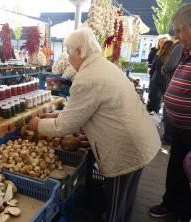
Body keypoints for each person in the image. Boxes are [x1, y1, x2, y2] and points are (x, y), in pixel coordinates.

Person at [29, 27, 161, 222]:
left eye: (69, 52)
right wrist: (56, 117)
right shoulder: (103, 66)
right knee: (126, 197)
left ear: (79, 52)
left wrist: (37, 124)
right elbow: (86, 110)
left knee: (116, 204)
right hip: (139, 138)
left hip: (125, 147)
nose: (68, 57)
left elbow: (64, 127)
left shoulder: (87, 78)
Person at [149, 3, 191, 221]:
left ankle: (184, 212)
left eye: (179, 30)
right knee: (176, 169)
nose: (177, 35)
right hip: (182, 129)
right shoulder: (190, 47)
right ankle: (171, 204)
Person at [160, 40, 184, 144]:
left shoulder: (180, 46)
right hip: (177, 84)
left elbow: (169, 65)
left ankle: (168, 137)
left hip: (174, 84)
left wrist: (163, 69)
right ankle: (169, 136)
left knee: (168, 112)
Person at [147, 40, 174, 113]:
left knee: (153, 103)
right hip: (166, 82)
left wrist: (151, 78)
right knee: (159, 104)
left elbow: (153, 68)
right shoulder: (172, 59)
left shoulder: (158, 56)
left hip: (156, 81)